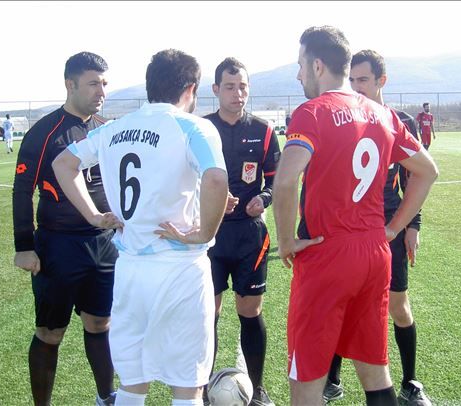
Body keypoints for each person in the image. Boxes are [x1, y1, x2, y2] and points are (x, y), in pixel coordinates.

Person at [53, 48, 229, 406]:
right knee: (187, 386)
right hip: (179, 268)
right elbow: (215, 178)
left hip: (130, 269)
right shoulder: (193, 126)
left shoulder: (113, 128)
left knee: (132, 382)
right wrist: (204, 233)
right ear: (190, 89)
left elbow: (63, 163)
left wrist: (94, 216)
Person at [273, 26, 438, 406]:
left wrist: (285, 240)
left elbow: (285, 180)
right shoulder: (383, 114)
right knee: (375, 372)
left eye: (300, 65)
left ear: (317, 66)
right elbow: (428, 171)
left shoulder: (312, 112)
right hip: (374, 253)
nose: (298, 74)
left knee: (307, 381)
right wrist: (393, 228)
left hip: (327, 253)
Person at [322, 49, 432, 406]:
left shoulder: (400, 121)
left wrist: (410, 226)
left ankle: (410, 382)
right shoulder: (345, 118)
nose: (357, 87)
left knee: (398, 305)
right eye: (352, 80)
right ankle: (333, 378)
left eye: (364, 80)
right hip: (349, 227)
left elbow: (417, 175)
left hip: (388, 226)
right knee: (343, 301)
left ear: (382, 81)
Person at [12, 51, 117, 406]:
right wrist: (24, 245)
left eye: (104, 83)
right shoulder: (44, 133)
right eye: (93, 84)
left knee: (100, 324)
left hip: (104, 244)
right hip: (58, 247)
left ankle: (106, 396)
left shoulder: (107, 130)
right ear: (70, 85)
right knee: (50, 331)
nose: (101, 91)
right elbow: (22, 190)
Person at [203, 57, 279, 406]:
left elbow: (276, 181)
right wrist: (213, 201)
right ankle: (201, 390)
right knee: (209, 315)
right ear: (216, 89)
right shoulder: (201, 129)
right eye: (230, 87)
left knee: (250, 313)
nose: (238, 93)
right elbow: (185, 180)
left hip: (250, 237)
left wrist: (263, 198)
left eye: (243, 86)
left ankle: (258, 389)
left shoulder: (264, 130)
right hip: (210, 236)